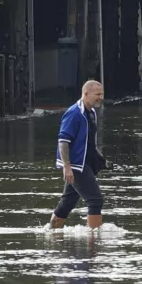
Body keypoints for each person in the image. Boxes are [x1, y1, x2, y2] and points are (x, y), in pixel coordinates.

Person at [49, 80, 107, 230]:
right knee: (95, 200)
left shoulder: (92, 112)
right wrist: (67, 167)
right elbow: (63, 141)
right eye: (97, 94)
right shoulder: (74, 113)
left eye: (102, 94)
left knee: (67, 202)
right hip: (75, 165)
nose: (101, 97)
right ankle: (94, 241)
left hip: (84, 163)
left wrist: (101, 159)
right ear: (86, 94)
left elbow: (88, 142)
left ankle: (53, 233)